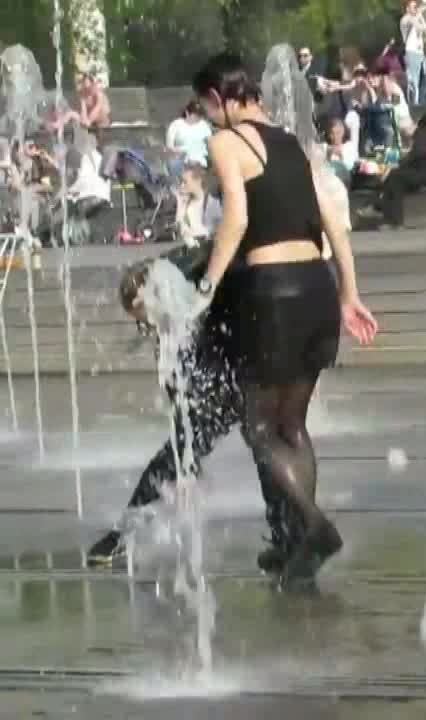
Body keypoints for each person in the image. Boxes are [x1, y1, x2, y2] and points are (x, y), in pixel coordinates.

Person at [192, 52, 378, 586]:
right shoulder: (291, 142)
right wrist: (349, 294)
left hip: (272, 291)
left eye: (206, 108)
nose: (207, 118)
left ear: (218, 98)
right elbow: (334, 225)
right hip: (316, 286)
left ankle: (314, 527)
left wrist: (206, 286)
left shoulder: (227, 142)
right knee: (292, 424)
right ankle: (297, 542)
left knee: (257, 426)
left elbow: (236, 218)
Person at [86, 242, 293, 572]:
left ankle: (288, 532)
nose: (145, 325)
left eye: (143, 317)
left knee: (262, 445)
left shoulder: (193, 296)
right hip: (234, 374)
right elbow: (176, 388)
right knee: (231, 448)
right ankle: (121, 533)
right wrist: (187, 457)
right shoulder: (170, 313)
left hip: (246, 365)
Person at [360, 108, 426, 229]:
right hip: (425, 172)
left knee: (395, 177)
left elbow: (415, 156)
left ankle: (385, 213)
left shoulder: (423, 135)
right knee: (394, 180)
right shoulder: (424, 135)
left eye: (403, 131)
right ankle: (384, 212)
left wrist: (397, 165)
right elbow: (416, 157)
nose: (403, 134)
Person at [175, 164, 223, 247]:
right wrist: (179, 202)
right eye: (181, 182)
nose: (182, 185)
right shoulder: (186, 204)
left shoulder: (212, 203)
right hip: (191, 250)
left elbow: (223, 228)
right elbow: (179, 227)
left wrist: (199, 232)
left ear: (198, 181)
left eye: (185, 182)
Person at [165, 100, 213, 179]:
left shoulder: (204, 126)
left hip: (199, 161)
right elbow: (169, 147)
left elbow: (210, 144)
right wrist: (181, 154)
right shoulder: (176, 125)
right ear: (187, 113)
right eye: (195, 115)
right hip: (181, 160)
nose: (197, 118)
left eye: (199, 116)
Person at [401, 0, 426, 104]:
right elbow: (418, 25)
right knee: (413, 82)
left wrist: (422, 17)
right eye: (413, 7)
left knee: (424, 79)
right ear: (407, 9)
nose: (415, 9)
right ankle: (413, 105)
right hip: (411, 52)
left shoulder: (416, 18)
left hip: (420, 53)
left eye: (416, 7)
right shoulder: (406, 19)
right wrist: (420, 13)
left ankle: (420, 103)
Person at [323, 115, 358, 187]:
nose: (335, 136)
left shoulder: (349, 147)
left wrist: (341, 156)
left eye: (338, 133)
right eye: (332, 133)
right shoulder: (324, 147)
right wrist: (327, 156)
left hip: (343, 183)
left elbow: (350, 167)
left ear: (344, 132)